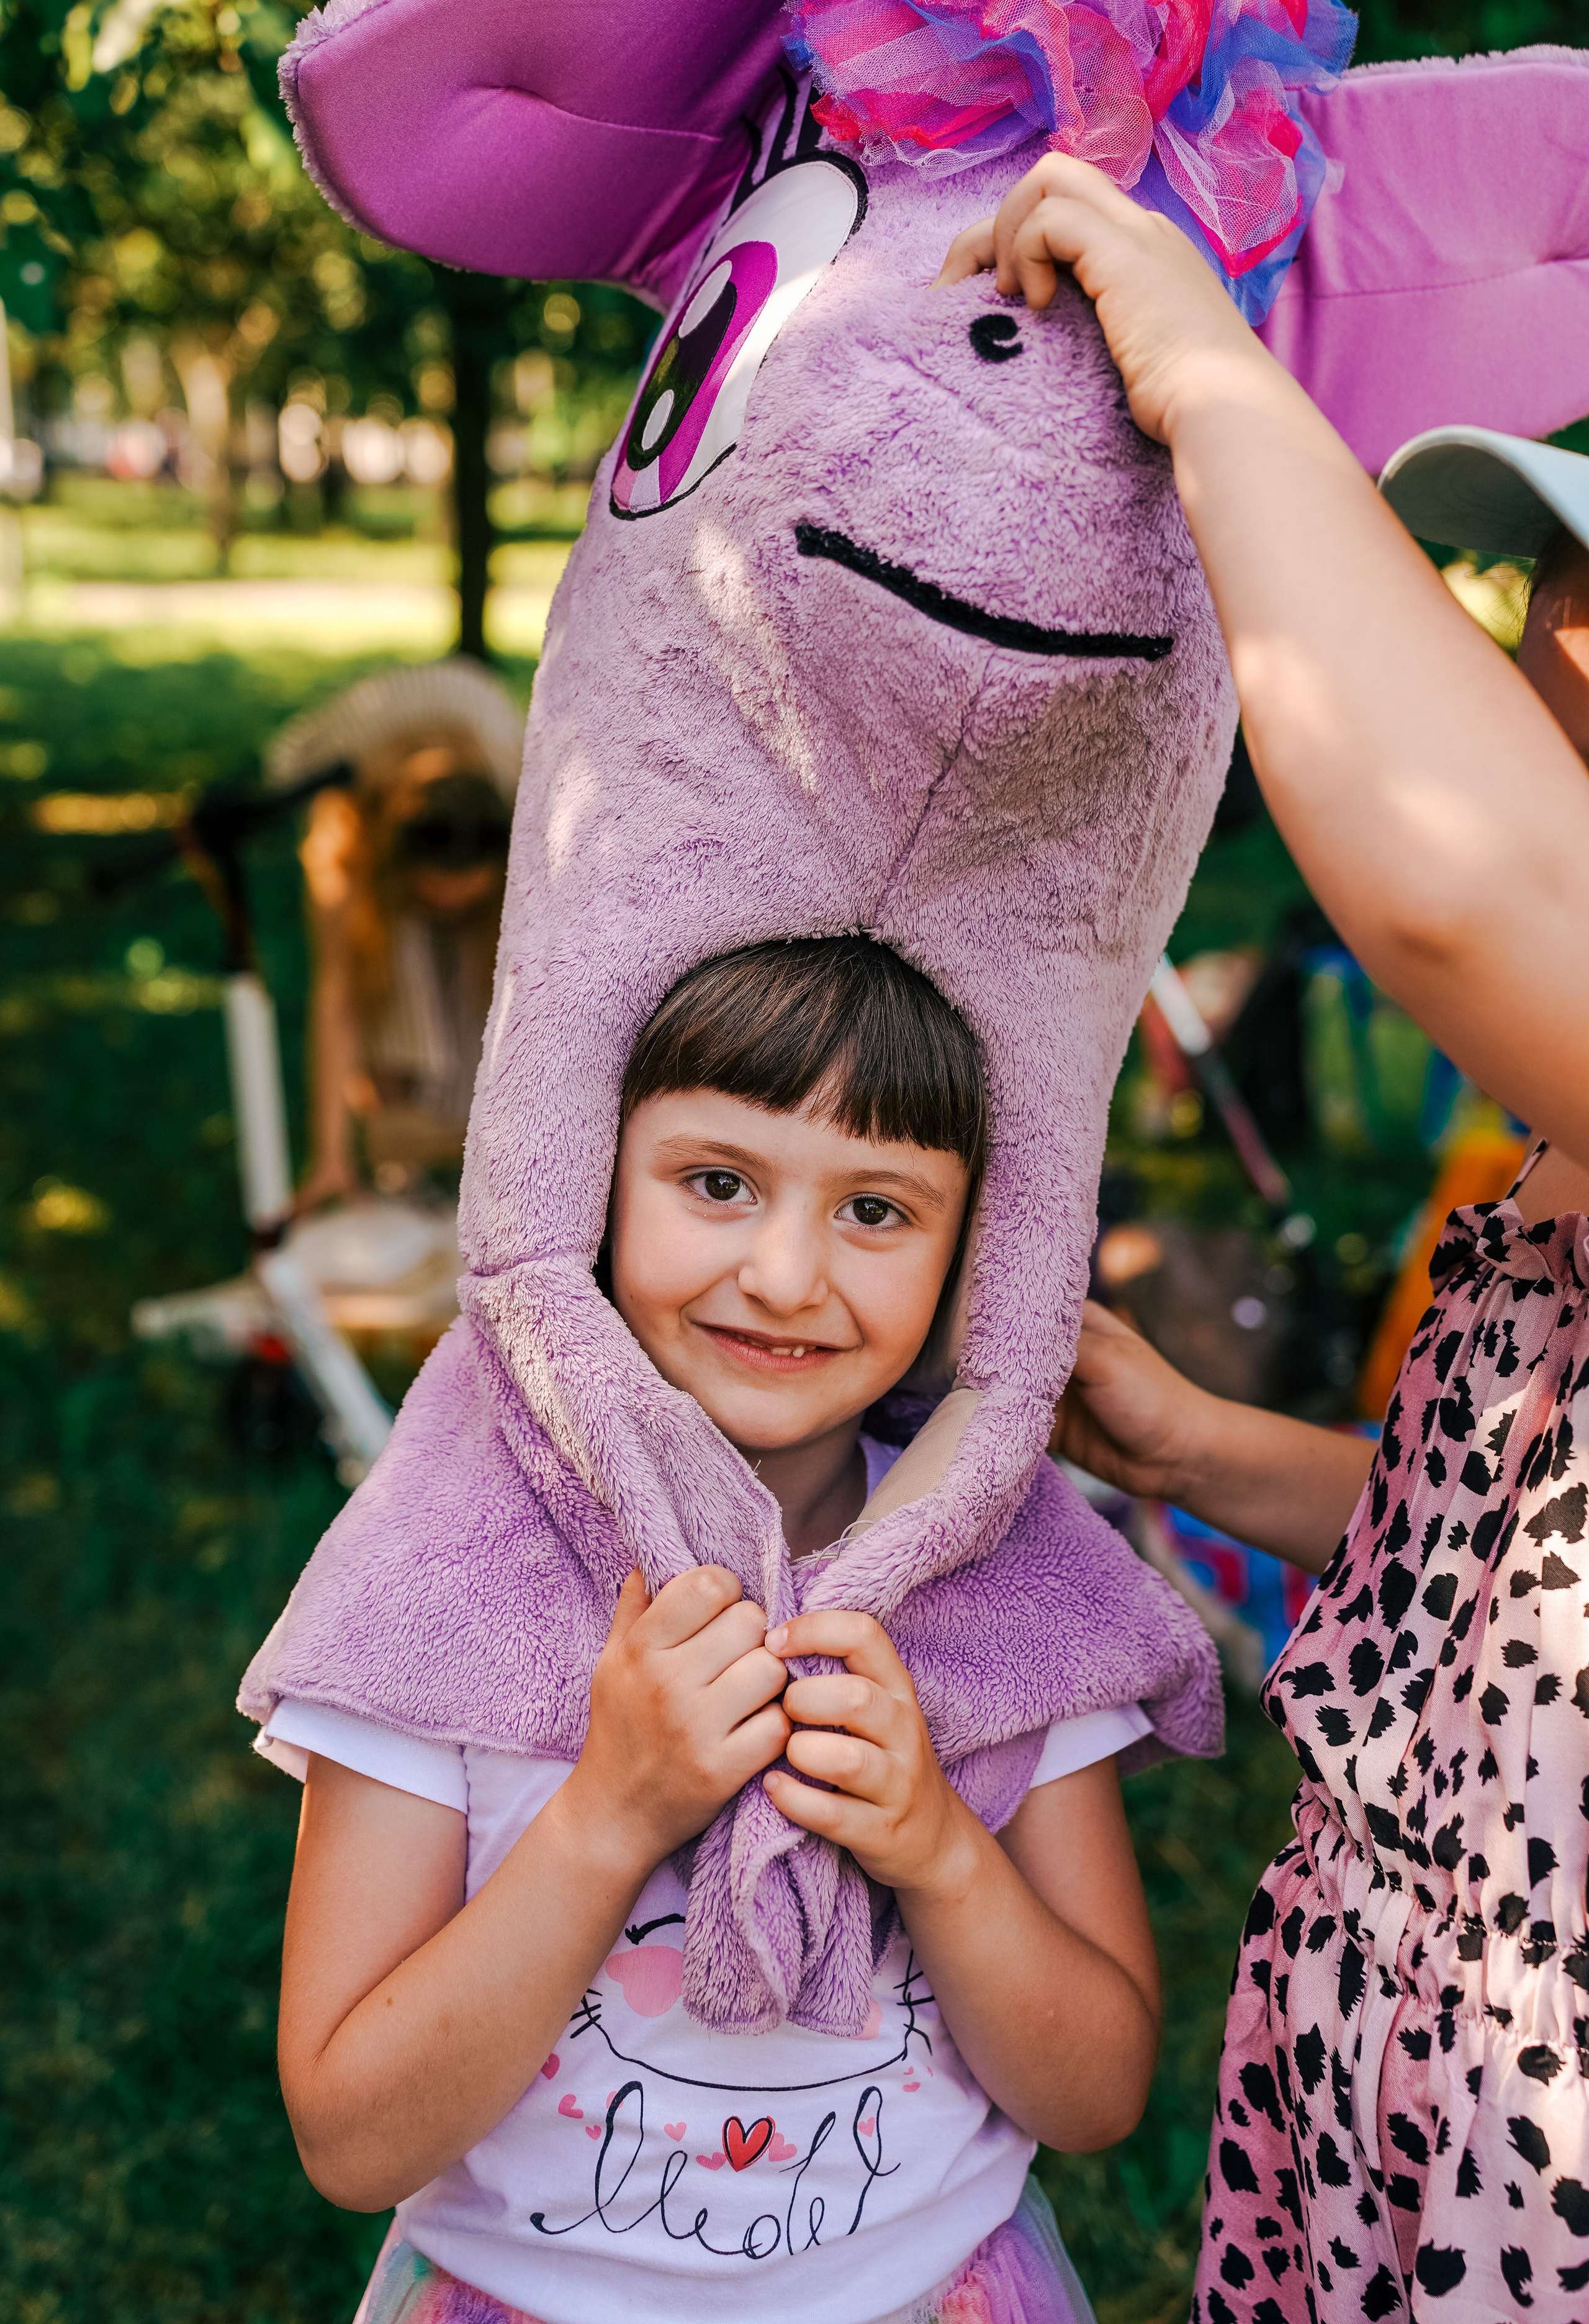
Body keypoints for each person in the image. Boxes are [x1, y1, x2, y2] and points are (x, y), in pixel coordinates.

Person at [940, 153, 1589, 2317]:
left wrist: (1195, 347)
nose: (1545, 631)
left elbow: (1449, 886)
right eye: (1549, 578)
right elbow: (1487, 1565)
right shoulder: (1542, 1152)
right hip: (1387, 2128)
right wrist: (1202, 1445)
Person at [254, 939, 1218, 2324]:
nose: (781, 1274)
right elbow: (352, 2140)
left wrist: (940, 1852)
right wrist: (606, 1816)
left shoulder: (1008, 1588)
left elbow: (1094, 2095)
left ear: (979, 1256)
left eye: (877, 1209)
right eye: (717, 1183)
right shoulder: (440, 1583)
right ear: (588, 1177)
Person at [266, 660, 523, 1209]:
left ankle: (475, 1155)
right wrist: (330, 1157)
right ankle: (399, 1164)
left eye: (465, 901)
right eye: (432, 900)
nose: (447, 915)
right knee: (388, 965)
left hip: (481, 752)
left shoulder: (525, 785)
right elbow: (341, 993)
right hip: (364, 793)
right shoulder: (346, 823)